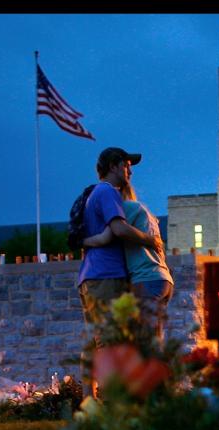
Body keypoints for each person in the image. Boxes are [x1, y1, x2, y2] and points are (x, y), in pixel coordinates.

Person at [78, 146, 161, 398]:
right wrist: (151, 240)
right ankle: (112, 398)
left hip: (93, 275)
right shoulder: (106, 191)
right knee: (110, 339)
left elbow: (101, 234)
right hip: (106, 275)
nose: (130, 171)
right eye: (126, 165)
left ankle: (88, 400)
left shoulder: (95, 194)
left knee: (97, 338)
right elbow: (119, 229)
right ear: (113, 166)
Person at [84, 179, 173, 341]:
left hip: (145, 279)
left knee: (143, 342)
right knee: (155, 339)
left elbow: (106, 237)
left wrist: (81, 241)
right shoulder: (145, 212)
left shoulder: (125, 210)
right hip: (163, 278)